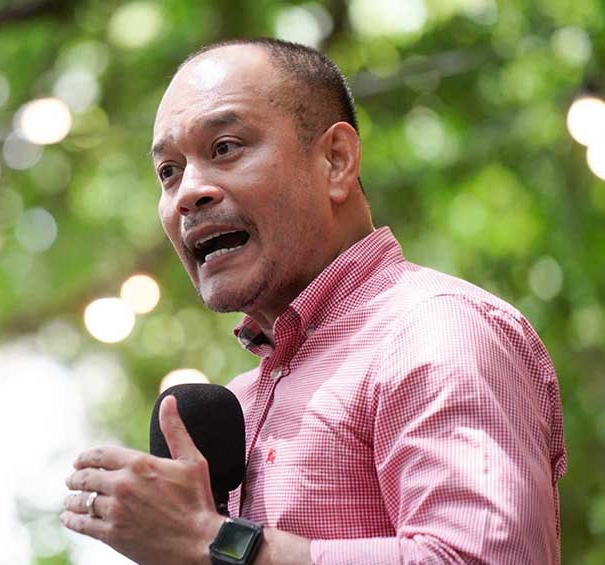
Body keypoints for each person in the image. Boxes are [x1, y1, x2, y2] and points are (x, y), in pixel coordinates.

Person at [60, 38, 567, 564]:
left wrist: (217, 542)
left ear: (336, 160)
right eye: (168, 171)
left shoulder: (437, 331)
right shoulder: (241, 400)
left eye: (225, 147)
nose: (188, 192)